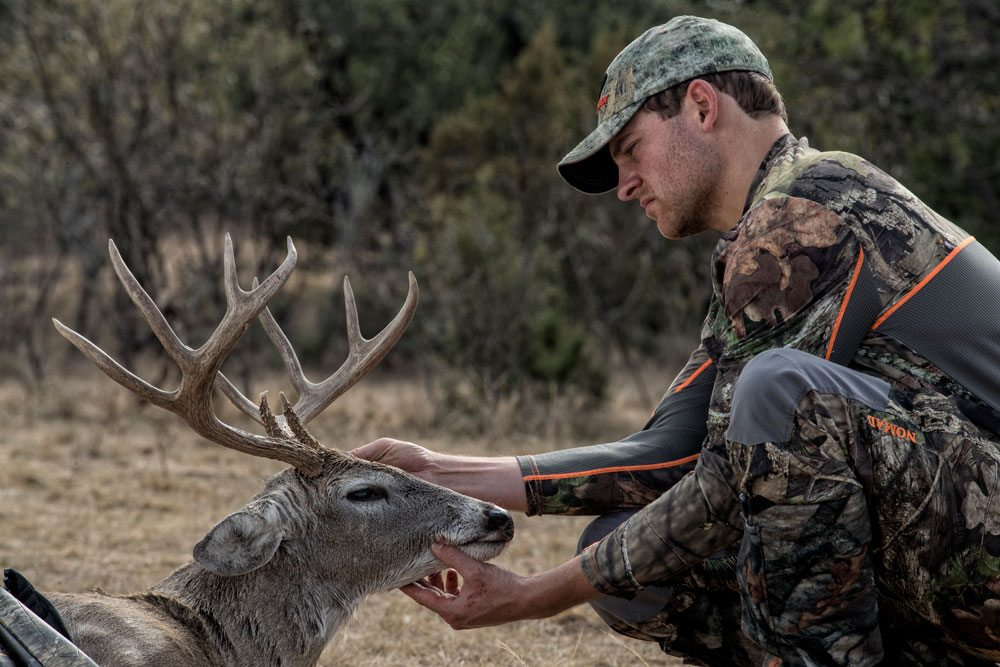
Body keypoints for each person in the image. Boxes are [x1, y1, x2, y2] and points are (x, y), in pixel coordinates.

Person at [352, 15, 1000, 666]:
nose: (626, 184)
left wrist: (534, 594)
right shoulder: (761, 237)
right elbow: (669, 454)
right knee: (623, 552)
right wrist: (439, 473)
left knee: (783, 398)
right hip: (954, 536)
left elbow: (721, 482)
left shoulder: (806, 212)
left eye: (631, 149)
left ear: (699, 106)